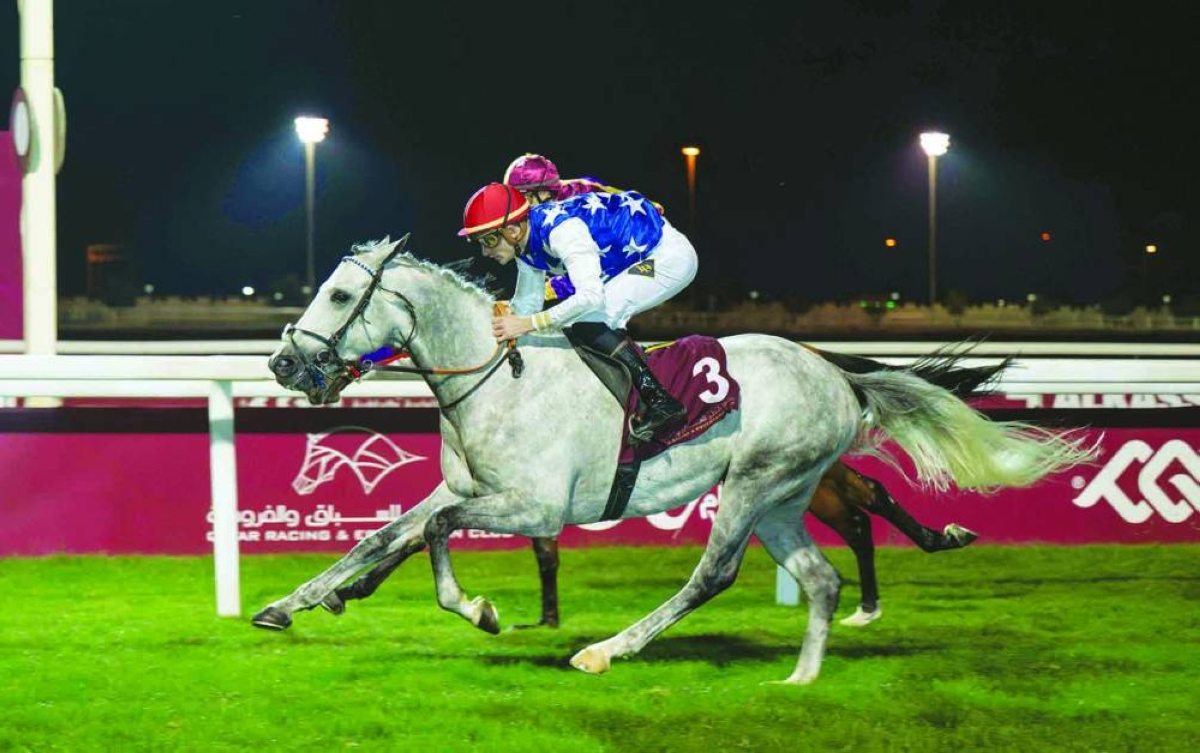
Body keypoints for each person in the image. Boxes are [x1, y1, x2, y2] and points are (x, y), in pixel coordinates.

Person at [458, 181, 697, 442]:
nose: (484, 251)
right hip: (637, 258)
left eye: (489, 240)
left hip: (665, 257)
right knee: (578, 324)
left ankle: (660, 401)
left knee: (588, 322)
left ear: (513, 230)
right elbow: (527, 306)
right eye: (478, 242)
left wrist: (528, 323)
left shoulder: (562, 231)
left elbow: (589, 297)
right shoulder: (525, 246)